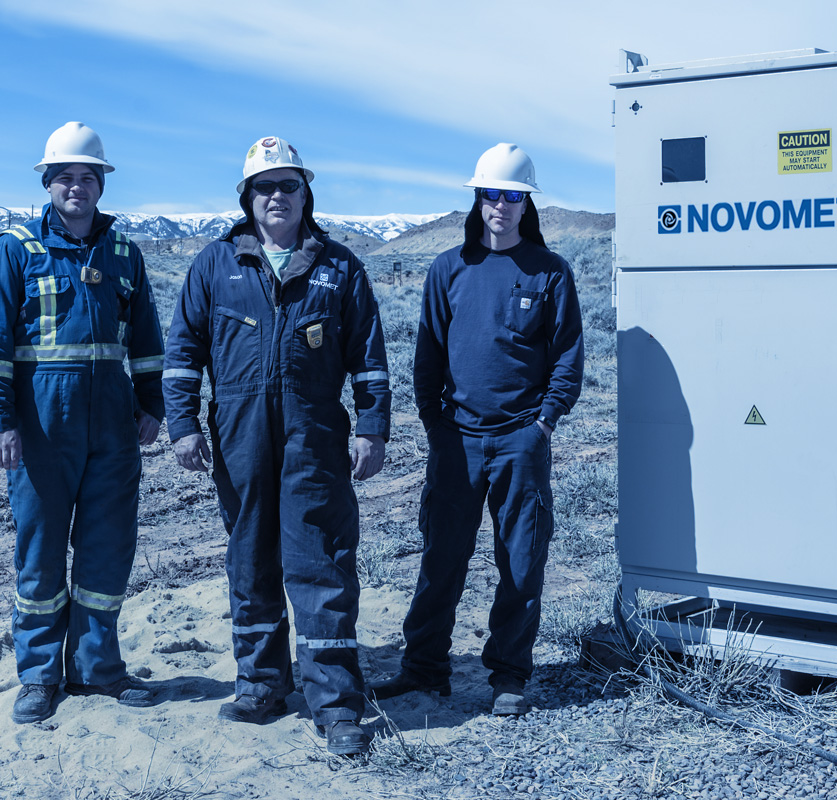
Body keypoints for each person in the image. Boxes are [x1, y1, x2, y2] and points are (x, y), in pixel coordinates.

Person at [163, 136, 390, 755]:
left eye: (288, 185)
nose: (277, 197)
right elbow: (183, 353)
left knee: (320, 562)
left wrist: (372, 428)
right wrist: (182, 425)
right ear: (247, 197)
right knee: (250, 557)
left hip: (313, 434)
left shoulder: (339, 266)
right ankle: (262, 685)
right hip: (238, 434)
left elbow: (369, 359)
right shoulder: (215, 264)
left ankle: (336, 703)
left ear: (304, 193)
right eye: (265, 187)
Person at [369, 143, 584, 715]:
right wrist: (435, 425)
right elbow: (427, 354)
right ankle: (423, 669)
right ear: (477, 198)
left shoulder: (550, 272)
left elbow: (567, 358)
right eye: (491, 194)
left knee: (521, 561)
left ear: (526, 203)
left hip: (521, 441)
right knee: (442, 557)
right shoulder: (449, 268)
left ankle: (509, 676)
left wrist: (543, 423)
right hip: (456, 438)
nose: (501, 206)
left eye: (513, 196)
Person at [0, 121, 165, 725]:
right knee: (42, 552)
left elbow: (147, 339)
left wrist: (152, 404)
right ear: (48, 183)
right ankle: (37, 676)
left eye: (88, 176)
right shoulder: (16, 249)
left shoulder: (124, 254)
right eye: (65, 177)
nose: (76, 186)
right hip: (39, 425)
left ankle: (96, 669)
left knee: (107, 549)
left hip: (112, 423)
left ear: (101, 184)